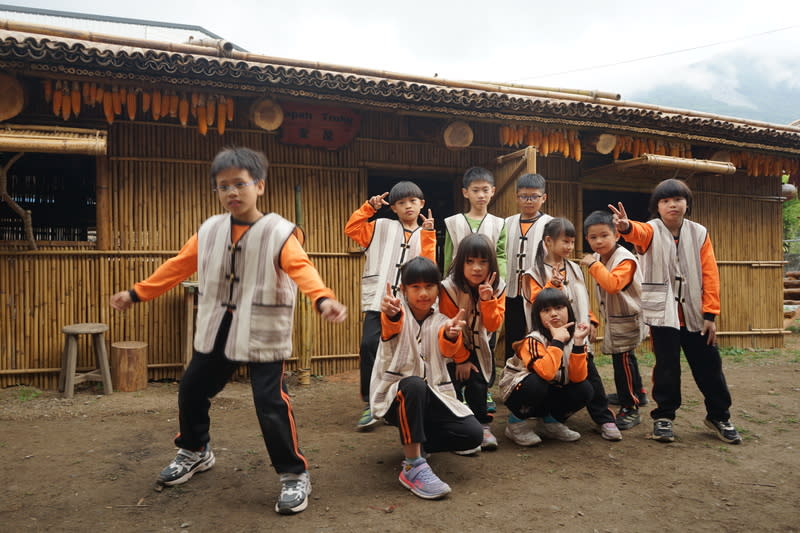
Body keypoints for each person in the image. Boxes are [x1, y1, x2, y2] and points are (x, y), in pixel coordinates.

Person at [109, 147, 347, 515]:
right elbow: (177, 266)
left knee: (270, 402)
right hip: (218, 327)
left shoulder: (279, 232)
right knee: (191, 388)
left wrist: (323, 298)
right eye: (223, 186)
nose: (232, 192)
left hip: (263, 331)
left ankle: (293, 474)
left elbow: (302, 268)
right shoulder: (210, 230)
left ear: (260, 186)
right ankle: (195, 449)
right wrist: (137, 292)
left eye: (240, 183)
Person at [609, 178, 742, 444]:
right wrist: (625, 227)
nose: (672, 205)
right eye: (665, 200)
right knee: (667, 368)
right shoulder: (650, 229)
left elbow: (710, 275)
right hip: (664, 315)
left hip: (696, 315)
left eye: (678, 199)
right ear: (657, 206)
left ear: (687, 204)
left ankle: (719, 416)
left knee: (710, 367)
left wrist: (710, 315)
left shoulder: (700, 233)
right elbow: (637, 233)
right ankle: (664, 417)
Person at [370, 257, 483, 499]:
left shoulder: (442, 321)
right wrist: (390, 314)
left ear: (438, 288)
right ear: (403, 290)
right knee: (413, 385)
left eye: (430, 286)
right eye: (415, 287)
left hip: (433, 397)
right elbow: (391, 325)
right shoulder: (396, 313)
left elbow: (447, 348)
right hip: (396, 398)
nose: (423, 293)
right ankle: (412, 466)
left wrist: (453, 336)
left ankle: (421, 443)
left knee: (473, 435)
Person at [519, 218, 622, 441]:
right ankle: (532, 419)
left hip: (576, 337)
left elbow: (580, 299)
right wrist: (552, 285)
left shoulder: (574, 268)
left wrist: (590, 320)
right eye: (565, 241)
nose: (569, 247)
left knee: (590, 377)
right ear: (548, 241)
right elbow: (536, 304)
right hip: (549, 341)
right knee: (545, 379)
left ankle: (604, 419)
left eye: (572, 242)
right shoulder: (533, 273)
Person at [345, 181, 435, 430]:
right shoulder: (380, 226)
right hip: (379, 301)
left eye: (413, 201)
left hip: (409, 304)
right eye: (402, 203)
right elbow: (351, 229)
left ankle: (398, 400)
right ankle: (370, 402)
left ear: (422, 204)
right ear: (393, 208)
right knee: (369, 345)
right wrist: (368, 209)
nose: (408, 206)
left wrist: (428, 235)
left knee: (404, 352)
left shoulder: (425, 233)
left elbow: (429, 267)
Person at [443, 166, 507, 413]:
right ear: (465, 193)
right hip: (458, 288)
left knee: (486, 338)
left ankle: (484, 389)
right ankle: (456, 390)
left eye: (485, 190)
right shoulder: (453, 223)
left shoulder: (499, 224)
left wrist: (493, 282)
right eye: (475, 190)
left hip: (488, 287)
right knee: (457, 330)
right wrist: (448, 285)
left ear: (493, 192)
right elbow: (448, 256)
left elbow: (500, 255)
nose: (481, 195)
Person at [579, 211, 647, 430]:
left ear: (617, 235)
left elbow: (613, 284)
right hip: (618, 317)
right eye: (593, 237)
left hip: (628, 318)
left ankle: (630, 408)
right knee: (627, 358)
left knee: (622, 362)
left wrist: (592, 265)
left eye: (604, 235)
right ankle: (638, 393)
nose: (598, 241)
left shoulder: (625, 259)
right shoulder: (602, 257)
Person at [499, 288, 592, 446]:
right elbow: (546, 373)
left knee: (584, 389)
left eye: (559, 308)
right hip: (517, 391)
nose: (554, 313)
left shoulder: (575, 336)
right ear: (538, 317)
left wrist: (577, 344)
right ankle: (516, 424)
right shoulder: (533, 340)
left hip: (548, 390)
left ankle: (550, 423)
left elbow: (578, 377)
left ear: (568, 310)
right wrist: (557, 342)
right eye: (546, 310)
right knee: (536, 383)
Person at [440, 233, 506, 453]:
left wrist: (488, 300)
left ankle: (482, 425)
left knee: (478, 382)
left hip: (480, 342)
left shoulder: (498, 286)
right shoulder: (448, 288)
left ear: (491, 263)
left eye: (482, 262)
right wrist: (460, 360)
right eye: (470, 262)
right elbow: (448, 325)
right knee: (452, 382)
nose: (476, 268)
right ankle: (454, 426)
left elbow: (494, 324)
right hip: (450, 345)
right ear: (460, 263)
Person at [504, 173, 552, 361]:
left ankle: (538, 365)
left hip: (538, 290)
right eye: (524, 196)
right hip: (511, 290)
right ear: (517, 196)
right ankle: (512, 366)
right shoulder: (507, 223)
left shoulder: (550, 223)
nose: (529, 201)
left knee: (538, 331)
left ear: (543, 198)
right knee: (512, 332)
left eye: (534, 196)